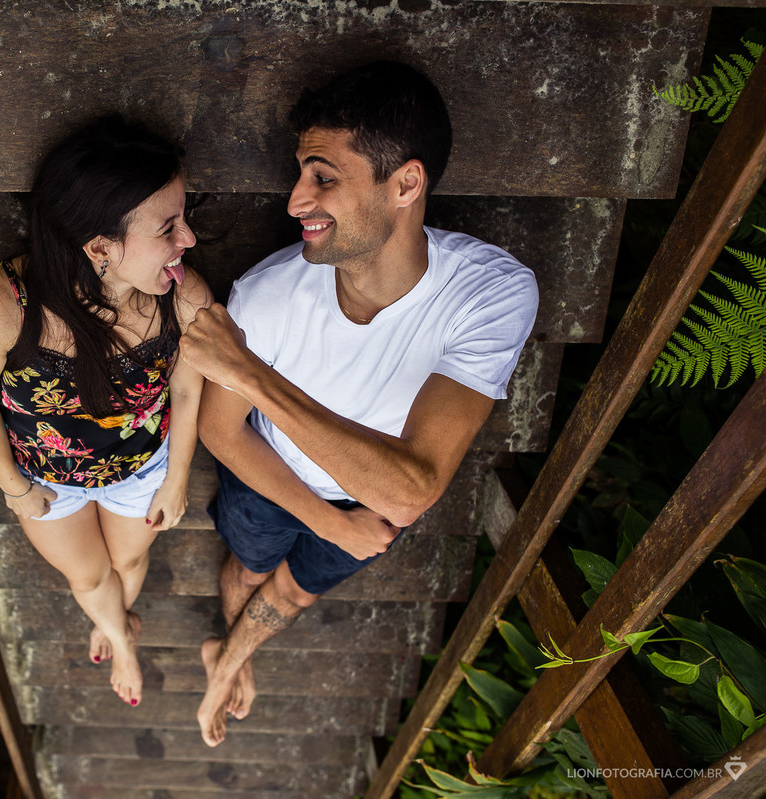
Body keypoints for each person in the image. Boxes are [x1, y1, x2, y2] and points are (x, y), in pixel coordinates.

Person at [180, 61, 539, 747]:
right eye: (300, 174)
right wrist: (325, 518)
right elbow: (224, 433)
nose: (294, 201)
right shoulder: (268, 292)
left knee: (295, 591)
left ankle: (226, 662)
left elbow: (411, 489)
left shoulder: (492, 294)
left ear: (405, 183)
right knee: (252, 567)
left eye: (323, 176)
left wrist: (252, 375)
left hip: (372, 503)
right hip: (268, 471)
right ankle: (230, 648)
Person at [0, 115, 212, 708]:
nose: (188, 241)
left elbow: (190, 390)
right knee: (90, 578)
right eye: (168, 227)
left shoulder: (184, 296)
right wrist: (16, 491)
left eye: (184, 220)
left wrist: (176, 477)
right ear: (100, 248)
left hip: (142, 466)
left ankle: (116, 618)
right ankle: (121, 637)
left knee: (127, 561)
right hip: (45, 478)